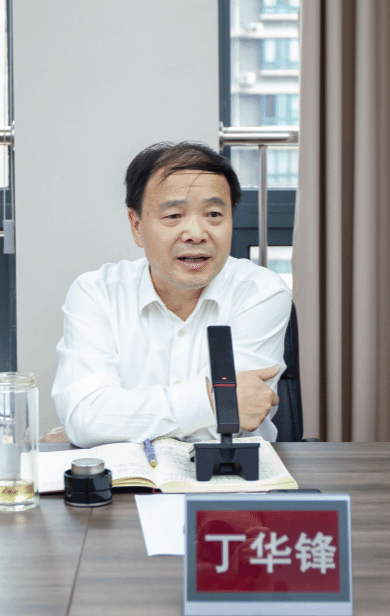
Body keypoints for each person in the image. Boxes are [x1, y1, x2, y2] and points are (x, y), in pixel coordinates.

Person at [51, 141, 292, 448]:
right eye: (174, 215)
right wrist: (211, 401)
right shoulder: (96, 294)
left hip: (231, 472)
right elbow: (85, 417)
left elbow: (235, 423)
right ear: (136, 226)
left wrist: (107, 426)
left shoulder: (261, 292)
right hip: (126, 476)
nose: (196, 233)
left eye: (214, 214)